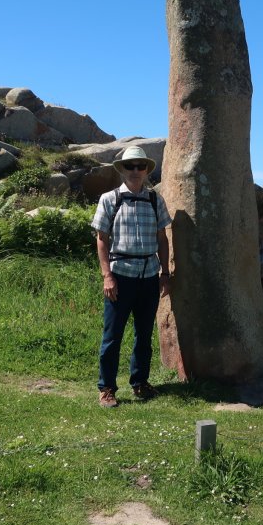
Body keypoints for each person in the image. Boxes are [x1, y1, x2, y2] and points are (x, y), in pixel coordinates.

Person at [90, 146, 171, 408]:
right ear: (122, 170)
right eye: (130, 166)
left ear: (147, 169)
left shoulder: (155, 200)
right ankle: (107, 388)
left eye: (140, 166)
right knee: (112, 336)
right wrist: (107, 276)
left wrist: (165, 273)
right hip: (120, 275)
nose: (135, 171)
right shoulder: (109, 199)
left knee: (144, 334)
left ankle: (139, 383)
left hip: (148, 275)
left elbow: (162, 238)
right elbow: (102, 240)